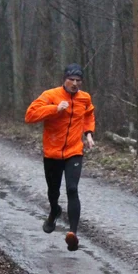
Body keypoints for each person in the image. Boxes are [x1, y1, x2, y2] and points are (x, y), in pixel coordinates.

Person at [24, 64, 96, 251]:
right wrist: (55, 109)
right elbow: (30, 116)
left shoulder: (84, 98)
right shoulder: (50, 95)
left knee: (72, 189)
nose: (74, 84)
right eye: (71, 80)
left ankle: (72, 234)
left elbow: (88, 114)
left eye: (78, 81)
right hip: (53, 152)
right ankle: (54, 210)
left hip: (74, 151)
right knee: (53, 191)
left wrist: (88, 133)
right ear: (64, 79)